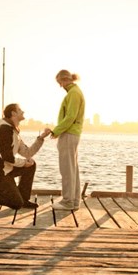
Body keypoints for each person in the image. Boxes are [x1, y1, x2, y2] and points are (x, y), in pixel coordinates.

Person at [0, 103, 51, 210]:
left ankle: (24, 199)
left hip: (6, 170)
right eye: (20, 110)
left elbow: (27, 153)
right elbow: (7, 157)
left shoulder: (14, 131)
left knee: (31, 165)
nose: (23, 111)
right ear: (13, 113)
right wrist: (24, 162)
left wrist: (41, 138)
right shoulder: (4, 130)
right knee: (15, 203)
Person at [45, 69, 85, 210]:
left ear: (64, 80)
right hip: (72, 133)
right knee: (72, 168)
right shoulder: (75, 92)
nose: (60, 86)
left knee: (67, 169)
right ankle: (74, 201)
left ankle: (68, 201)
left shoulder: (73, 93)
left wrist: (56, 131)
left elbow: (70, 117)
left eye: (59, 82)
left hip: (69, 134)